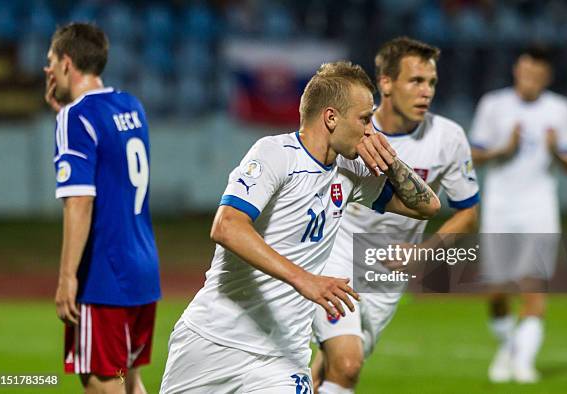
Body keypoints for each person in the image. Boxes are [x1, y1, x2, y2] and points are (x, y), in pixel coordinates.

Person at [160, 61, 441, 393]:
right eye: (365, 119)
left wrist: (390, 160)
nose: (371, 130)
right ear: (331, 117)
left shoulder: (349, 174)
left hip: (283, 357)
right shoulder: (276, 154)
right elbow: (227, 226)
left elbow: (427, 206)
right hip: (214, 341)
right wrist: (304, 279)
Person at [310, 37, 480, 394]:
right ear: (386, 83)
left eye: (431, 82)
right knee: (347, 363)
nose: (426, 92)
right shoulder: (350, 131)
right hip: (338, 255)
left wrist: (424, 253)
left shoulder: (448, 138)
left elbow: (469, 213)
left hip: (388, 274)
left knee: (330, 369)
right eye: (416, 81)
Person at [45, 23, 161, 394]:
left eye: (50, 61)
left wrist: (66, 278)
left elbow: (79, 201)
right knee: (130, 381)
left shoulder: (75, 118)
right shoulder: (131, 106)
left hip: (103, 279)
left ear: (67, 63)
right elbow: (109, 164)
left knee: (103, 383)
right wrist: (65, 116)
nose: (46, 70)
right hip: (143, 269)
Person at [470, 45, 567, 383]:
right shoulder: (493, 104)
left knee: (534, 285)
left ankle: (523, 364)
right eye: (525, 71)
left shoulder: (560, 109)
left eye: (537, 74)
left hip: (539, 206)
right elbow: (473, 155)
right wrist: (504, 149)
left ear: (546, 76)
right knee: (498, 291)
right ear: (517, 70)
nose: (529, 79)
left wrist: (554, 151)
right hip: (501, 205)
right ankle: (510, 347)